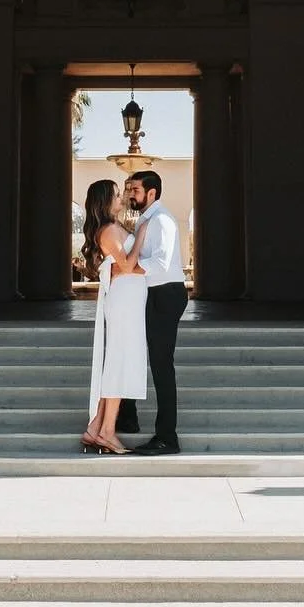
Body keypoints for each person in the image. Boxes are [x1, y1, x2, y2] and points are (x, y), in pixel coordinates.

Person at [119, 169, 187, 456]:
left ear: (151, 193)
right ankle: (128, 417)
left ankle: (167, 437)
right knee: (132, 353)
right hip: (152, 295)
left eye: (133, 190)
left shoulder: (161, 221)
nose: (128, 194)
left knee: (161, 366)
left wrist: (128, 268)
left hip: (165, 295)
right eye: (128, 189)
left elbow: (160, 264)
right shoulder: (145, 220)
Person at [80, 178, 148, 456]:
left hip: (130, 300)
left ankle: (96, 427)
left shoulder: (115, 228)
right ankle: (107, 431)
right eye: (117, 195)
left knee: (122, 362)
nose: (121, 198)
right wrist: (142, 233)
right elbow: (129, 265)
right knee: (119, 363)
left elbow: (126, 267)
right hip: (123, 303)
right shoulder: (108, 231)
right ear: (105, 200)